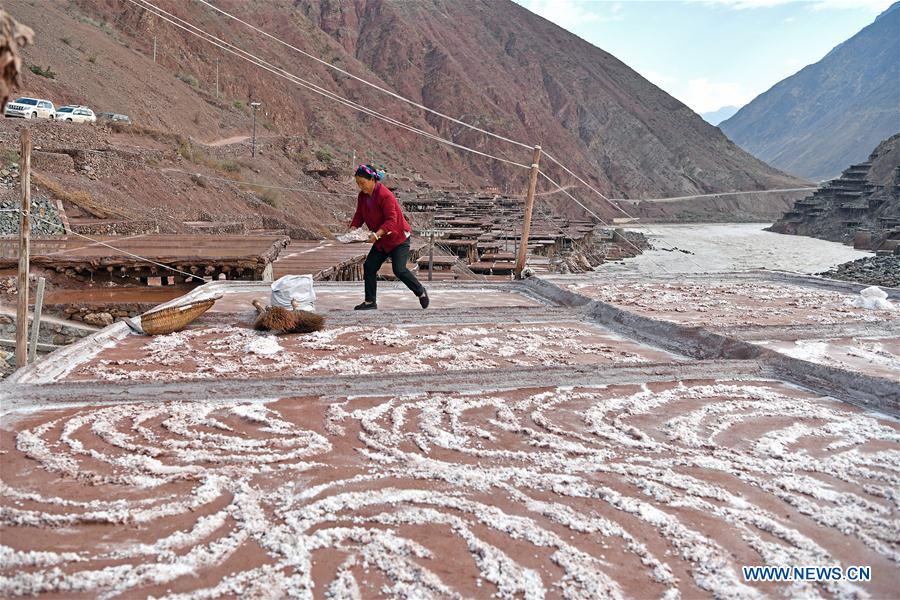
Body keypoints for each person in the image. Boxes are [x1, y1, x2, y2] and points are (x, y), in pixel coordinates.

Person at [349, 164, 428, 310]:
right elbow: (359, 215)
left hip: (398, 238)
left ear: (372, 180)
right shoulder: (362, 196)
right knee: (369, 266)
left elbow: (391, 220)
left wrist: (376, 235)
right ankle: (370, 302)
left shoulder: (385, 196)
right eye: (358, 183)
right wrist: (353, 228)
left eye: (362, 183)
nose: (360, 186)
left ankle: (420, 291)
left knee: (399, 270)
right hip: (382, 240)